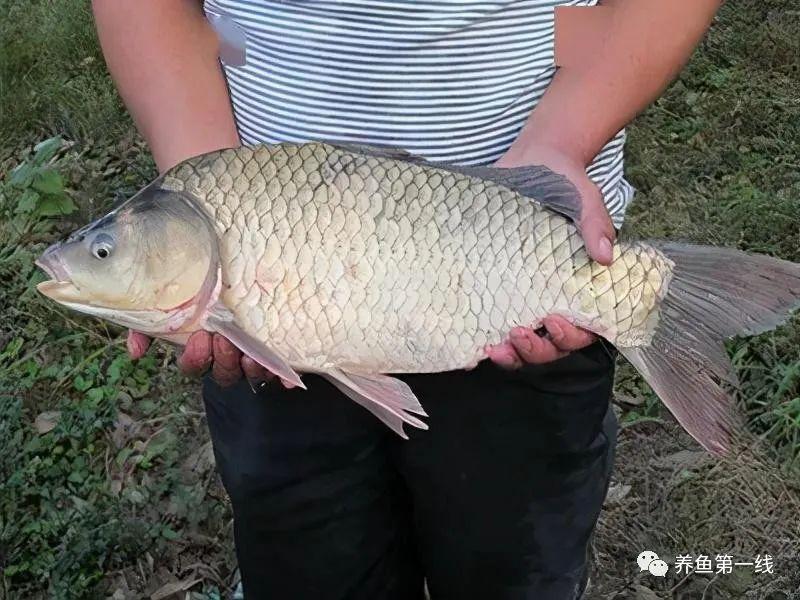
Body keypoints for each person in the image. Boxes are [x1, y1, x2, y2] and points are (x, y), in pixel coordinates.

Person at [92, 1, 721, 598]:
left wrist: (563, 144)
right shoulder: (221, 229)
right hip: (271, 289)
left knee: (511, 573)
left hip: (528, 244)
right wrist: (212, 184)